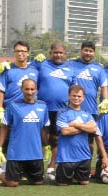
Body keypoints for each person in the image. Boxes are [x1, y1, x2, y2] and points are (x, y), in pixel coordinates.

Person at [0, 41, 39, 182]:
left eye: (23, 50)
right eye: (18, 51)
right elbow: (1, 90)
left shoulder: (35, 70)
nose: (21, 53)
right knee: (6, 141)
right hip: (10, 111)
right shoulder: (7, 70)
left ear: (28, 53)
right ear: (14, 52)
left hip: (27, 111)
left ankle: (17, 170)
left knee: (21, 141)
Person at [0, 79, 49, 187]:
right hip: (16, 153)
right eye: (26, 89)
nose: (30, 92)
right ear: (21, 89)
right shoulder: (13, 106)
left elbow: (43, 129)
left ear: (36, 89)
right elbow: (4, 127)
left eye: (32, 89)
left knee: (38, 182)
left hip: (35, 153)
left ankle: (24, 172)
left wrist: (47, 146)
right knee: (12, 183)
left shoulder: (43, 106)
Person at [34, 43, 75, 181]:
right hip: (42, 108)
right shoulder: (42, 64)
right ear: (50, 53)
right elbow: (25, 68)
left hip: (61, 110)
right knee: (41, 138)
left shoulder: (70, 68)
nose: (58, 55)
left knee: (56, 139)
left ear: (65, 54)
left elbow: (74, 89)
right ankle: (38, 167)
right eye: (55, 52)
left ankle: (52, 167)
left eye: (61, 53)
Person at [55, 85, 98, 185]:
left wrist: (76, 124)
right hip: (66, 157)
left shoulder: (87, 113)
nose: (76, 98)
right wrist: (84, 127)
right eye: (74, 95)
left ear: (83, 98)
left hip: (84, 156)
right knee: (62, 184)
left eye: (79, 96)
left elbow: (93, 129)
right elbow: (65, 131)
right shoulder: (62, 112)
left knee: (84, 182)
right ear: (69, 96)